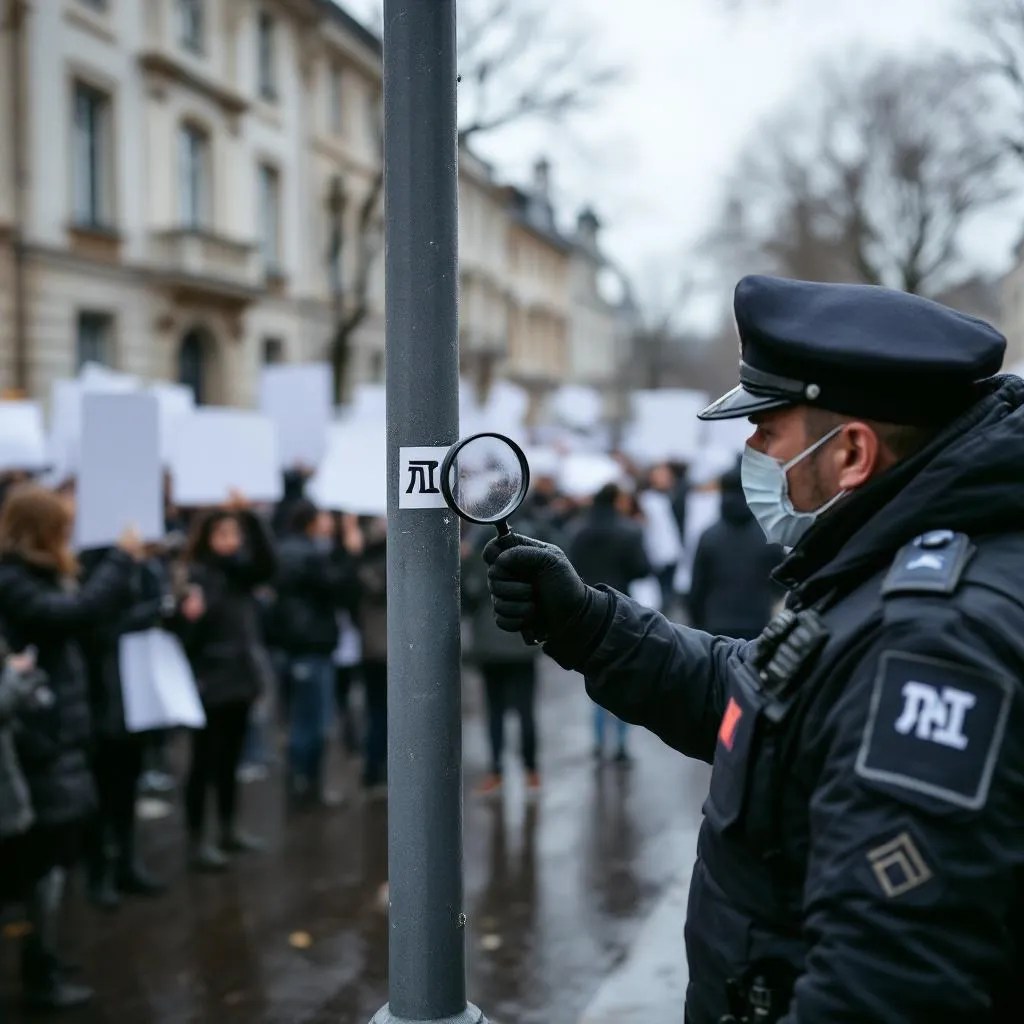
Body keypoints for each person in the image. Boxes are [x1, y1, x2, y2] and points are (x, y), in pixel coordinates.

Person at [481, 274, 1024, 1023]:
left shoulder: (932, 640)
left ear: (853, 454)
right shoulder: (882, 564)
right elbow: (761, 701)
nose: (752, 449)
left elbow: (887, 984)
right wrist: (588, 624)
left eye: (769, 429)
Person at [0, 484, 139, 1009]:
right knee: (40, 862)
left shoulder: (39, 575)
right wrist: (121, 562)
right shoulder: (14, 581)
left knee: (52, 856)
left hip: (58, 735)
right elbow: (74, 613)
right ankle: (40, 972)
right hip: (40, 740)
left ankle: (45, 955)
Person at [79, 544, 185, 908]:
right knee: (101, 789)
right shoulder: (95, 563)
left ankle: (125, 862)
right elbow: (96, 622)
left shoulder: (146, 565)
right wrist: (152, 609)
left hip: (135, 691)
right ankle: (99, 871)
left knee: (127, 784)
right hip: (103, 695)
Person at [178, 500, 277, 871]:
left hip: (240, 678)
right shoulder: (195, 575)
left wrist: (252, 517)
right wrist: (189, 612)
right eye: (223, 533)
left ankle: (227, 828)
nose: (231, 541)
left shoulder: (239, 572)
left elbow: (268, 565)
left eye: (234, 533)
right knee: (203, 762)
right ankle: (195, 839)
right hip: (208, 682)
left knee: (230, 760)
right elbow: (186, 630)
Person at [462, 503, 562, 798]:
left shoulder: (475, 555)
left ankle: (496, 771)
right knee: (525, 710)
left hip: (489, 648)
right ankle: (531, 772)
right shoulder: (525, 551)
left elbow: (466, 601)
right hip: (520, 644)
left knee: (494, 711)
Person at [274, 499, 358, 805]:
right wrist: (348, 550)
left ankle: (304, 784)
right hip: (311, 645)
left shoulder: (293, 549)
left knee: (304, 718)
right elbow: (335, 584)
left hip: (302, 645)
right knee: (310, 721)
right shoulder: (307, 553)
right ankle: (304, 786)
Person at [566, 482, 653, 763]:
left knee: (595, 675)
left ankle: (598, 740)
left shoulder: (578, 531)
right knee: (623, 676)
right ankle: (621, 745)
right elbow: (643, 568)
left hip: (588, 612)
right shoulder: (629, 531)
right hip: (622, 611)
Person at [688, 459, 785, 640]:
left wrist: (698, 621)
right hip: (757, 622)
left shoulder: (709, 536)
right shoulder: (768, 535)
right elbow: (781, 578)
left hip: (716, 624)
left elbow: (697, 587)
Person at [355, 516, 388, 797]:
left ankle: (374, 769)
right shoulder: (381, 567)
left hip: (372, 648)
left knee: (377, 711)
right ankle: (376, 770)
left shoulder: (361, 564)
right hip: (382, 651)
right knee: (381, 713)